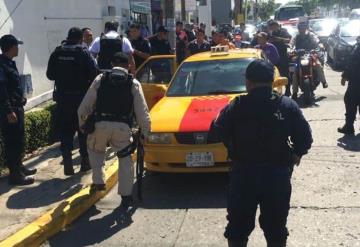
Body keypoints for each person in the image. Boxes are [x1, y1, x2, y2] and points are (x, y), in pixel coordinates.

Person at [209, 60, 313, 247]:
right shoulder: (287, 105)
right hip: (277, 177)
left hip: (243, 176)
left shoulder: (236, 106)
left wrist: (231, 143)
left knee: (238, 229)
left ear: (248, 82)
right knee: (276, 229)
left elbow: (215, 132)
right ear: (272, 81)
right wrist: (297, 154)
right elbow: (305, 138)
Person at [78, 52, 150, 208]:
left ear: (112, 64)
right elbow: (143, 113)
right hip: (122, 128)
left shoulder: (100, 79)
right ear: (128, 66)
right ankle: (126, 196)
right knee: (124, 160)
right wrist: (145, 133)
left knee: (96, 151)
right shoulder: (133, 83)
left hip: (100, 125)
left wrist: (83, 124)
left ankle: (98, 182)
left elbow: (84, 108)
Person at [47, 27, 98, 176]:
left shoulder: (57, 52)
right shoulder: (83, 53)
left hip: (63, 99)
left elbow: (50, 75)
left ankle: (67, 163)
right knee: (83, 130)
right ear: (80, 38)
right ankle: (84, 162)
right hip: (81, 99)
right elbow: (94, 73)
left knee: (65, 131)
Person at [0, 34, 36, 185]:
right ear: (12, 47)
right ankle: (15, 175)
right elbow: (1, 90)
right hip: (10, 111)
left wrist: (20, 99)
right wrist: (9, 110)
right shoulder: (2, 65)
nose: (19, 49)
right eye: (17, 46)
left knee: (19, 139)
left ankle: (20, 167)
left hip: (16, 106)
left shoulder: (9, 62)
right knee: (12, 142)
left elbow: (12, 87)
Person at [290, 20, 328, 99]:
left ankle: (324, 82)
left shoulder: (311, 35)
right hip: (299, 56)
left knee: (318, 65)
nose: (302, 29)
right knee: (294, 73)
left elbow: (317, 41)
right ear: (298, 28)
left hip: (310, 54)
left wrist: (320, 46)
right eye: (300, 28)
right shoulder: (296, 36)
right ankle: (294, 92)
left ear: (306, 28)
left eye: (303, 27)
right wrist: (290, 49)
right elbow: (291, 43)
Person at [338, 37, 360, 135]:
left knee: (350, 100)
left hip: (356, 80)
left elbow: (352, 63)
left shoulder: (357, 48)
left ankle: (349, 126)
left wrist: (344, 76)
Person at [267, 20, 292, 96]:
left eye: (274, 26)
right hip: (272, 57)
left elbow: (289, 40)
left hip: (282, 56)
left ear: (277, 26)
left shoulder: (283, 31)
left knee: (285, 74)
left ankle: (288, 90)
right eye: (271, 27)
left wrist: (279, 39)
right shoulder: (269, 33)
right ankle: (274, 91)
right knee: (272, 75)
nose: (272, 28)